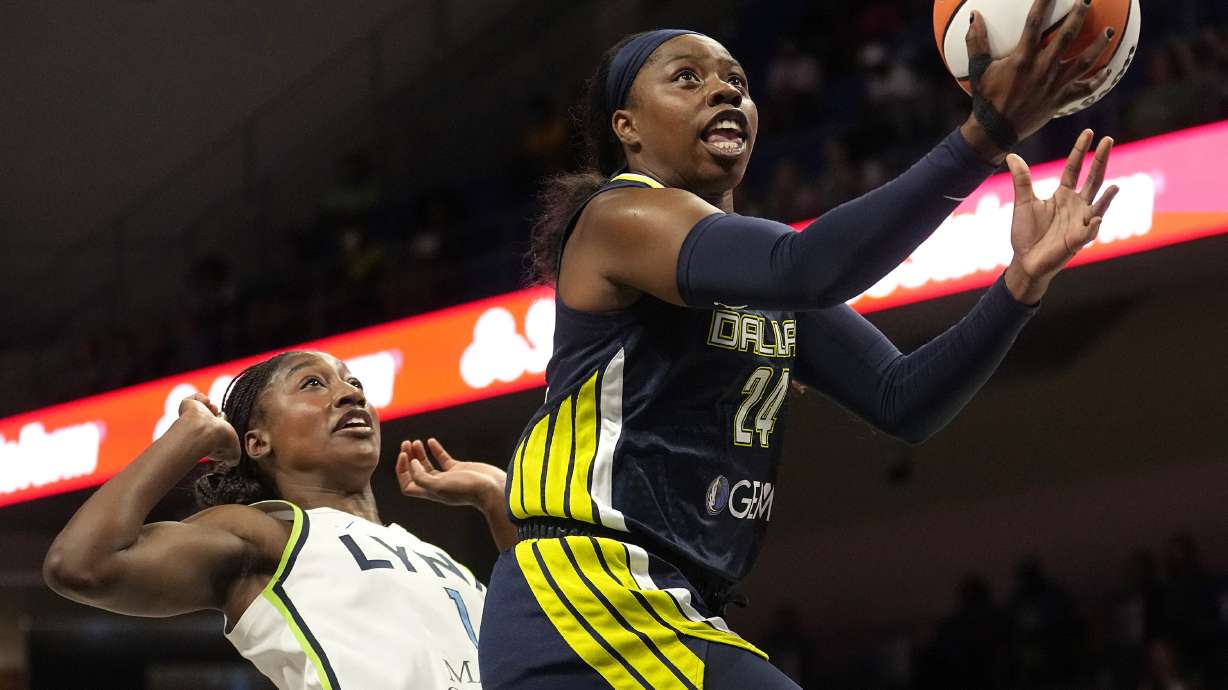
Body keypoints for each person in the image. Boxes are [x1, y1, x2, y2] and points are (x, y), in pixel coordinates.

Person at [479, 1, 1120, 686]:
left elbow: (903, 399)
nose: (724, 90)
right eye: (687, 78)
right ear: (626, 128)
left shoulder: (759, 276)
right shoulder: (618, 214)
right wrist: (982, 137)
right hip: (587, 591)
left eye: (736, 80)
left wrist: (1022, 282)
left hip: (666, 600)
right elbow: (811, 267)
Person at [43, 350, 515, 689]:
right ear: (258, 441)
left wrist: (497, 500)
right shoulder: (270, 533)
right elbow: (80, 564)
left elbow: (543, 625)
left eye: (354, 384)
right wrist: (188, 437)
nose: (350, 395)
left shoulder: (433, 555)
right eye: (313, 384)